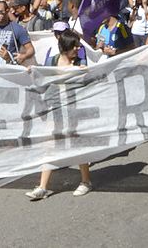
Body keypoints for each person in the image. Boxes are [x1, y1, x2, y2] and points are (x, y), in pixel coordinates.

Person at [26, 30, 94, 201]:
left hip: (73, 110)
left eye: (78, 45)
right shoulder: (53, 61)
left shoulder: (80, 62)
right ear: (65, 46)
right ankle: (43, 187)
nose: (78, 49)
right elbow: (43, 75)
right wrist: (31, 70)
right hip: (55, 109)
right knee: (49, 146)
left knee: (77, 145)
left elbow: (87, 82)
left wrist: (82, 72)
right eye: (75, 46)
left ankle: (86, 181)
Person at [0, 0, 35, 65]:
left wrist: (23, 56)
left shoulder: (18, 29)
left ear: (7, 11)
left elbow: (30, 49)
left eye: (0, 12)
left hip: (10, 66)